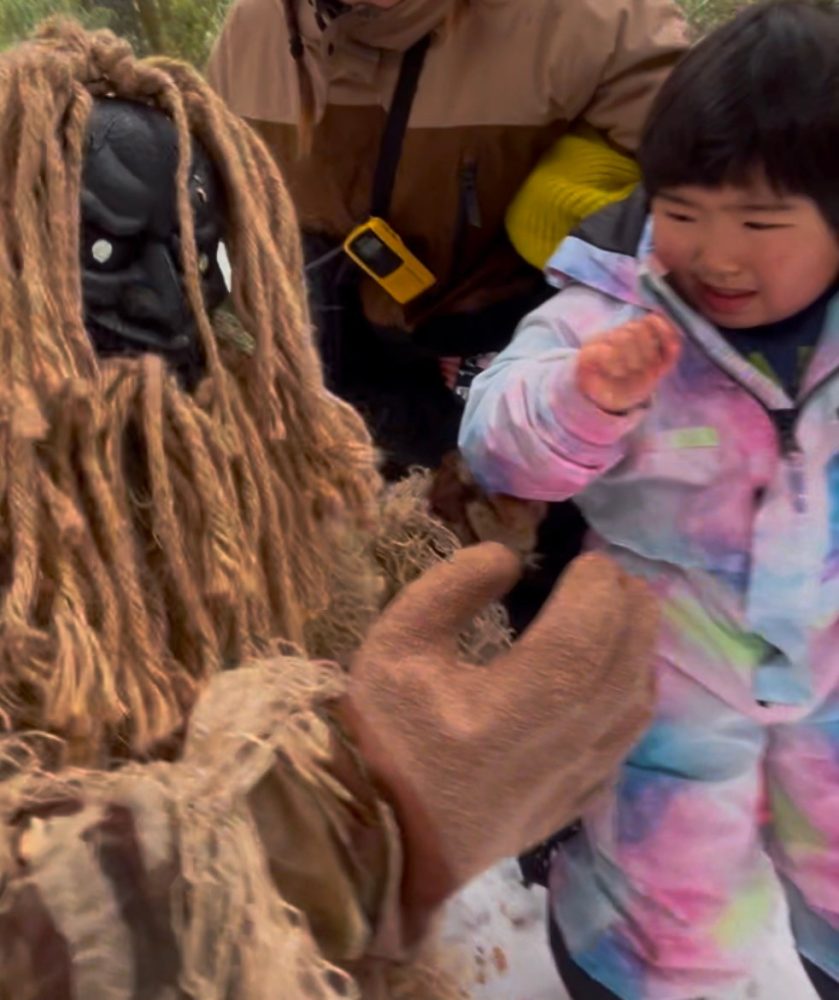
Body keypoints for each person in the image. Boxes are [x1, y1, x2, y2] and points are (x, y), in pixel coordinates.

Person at [0, 21, 659, 998]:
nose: (167, 301)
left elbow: (323, 595)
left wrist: (451, 528)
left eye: (195, 252)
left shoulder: (224, 447)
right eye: (103, 250)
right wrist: (356, 822)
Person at [459, 3, 839, 997]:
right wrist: (581, 398)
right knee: (660, 909)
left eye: (758, 222)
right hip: (666, 677)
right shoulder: (608, 313)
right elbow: (494, 438)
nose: (714, 252)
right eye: (681, 211)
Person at [206, 0, 687, 475]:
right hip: (334, 398)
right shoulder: (251, 32)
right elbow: (207, 196)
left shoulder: (596, 20)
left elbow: (717, 179)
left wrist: (581, 231)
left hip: (526, 402)